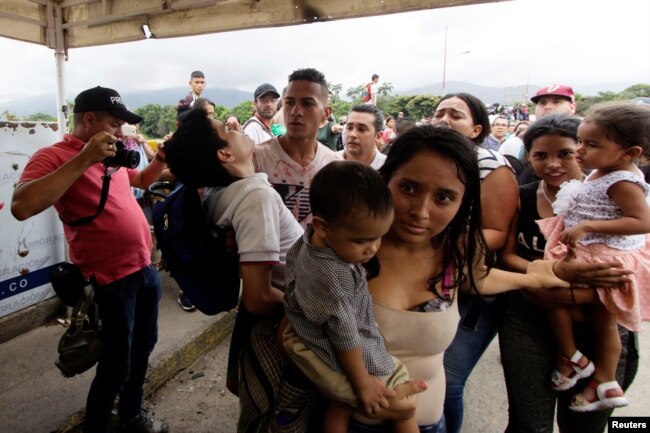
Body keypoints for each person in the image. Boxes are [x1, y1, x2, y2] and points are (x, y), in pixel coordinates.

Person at [348, 125, 577, 432]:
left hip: (431, 424)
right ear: (385, 179)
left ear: (462, 203)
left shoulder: (457, 249)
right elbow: (295, 339)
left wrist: (543, 276)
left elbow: (477, 279)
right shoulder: (344, 250)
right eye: (409, 188)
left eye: (443, 197)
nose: (421, 212)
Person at [11, 86, 169, 433]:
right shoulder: (54, 155)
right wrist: (83, 158)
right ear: (90, 120)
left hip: (144, 270)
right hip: (111, 281)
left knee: (142, 350)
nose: (119, 134)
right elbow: (21, 205)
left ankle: (130, 416)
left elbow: (141, 180)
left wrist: (159, 159)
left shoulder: (111, 158)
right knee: (117, 364)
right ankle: (96, 425)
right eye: (114, 125)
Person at [498, 113, 639, 432]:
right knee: (529, 424)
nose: (552, 164)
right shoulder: (520, 196)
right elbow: (506, 257)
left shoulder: (615, 196)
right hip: (528, 318)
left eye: (564, 153)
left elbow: (633, 266)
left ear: (583, 149)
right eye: (540, 155)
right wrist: (549, 273)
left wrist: (574, 290)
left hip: (598, 324)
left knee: (585, 425)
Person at [283, 161, 417, 433]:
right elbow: (345, 336)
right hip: (330, 348)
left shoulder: (308, 240)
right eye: (361, 241)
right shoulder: (333, 276)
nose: (373, 249)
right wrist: (364, 383)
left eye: (379, 238)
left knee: (338, 405)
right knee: (398, 391)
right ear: (322, 226)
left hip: (307, 333)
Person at [537, 103, 650, 412]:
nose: (580, 150)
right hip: (596, 249)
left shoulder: (622, 181)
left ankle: (573, 358)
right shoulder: (606, 171)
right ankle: (604, 381)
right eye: (581, 141)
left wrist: (589, 226)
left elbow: (644, 221)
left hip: (602, 255)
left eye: (592, 144)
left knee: (554, 293)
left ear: (629, 152)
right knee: (603, 322)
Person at [431, 92, 518, 433]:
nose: (444, 119)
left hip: (471, 290)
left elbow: (496, 231)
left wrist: (441, 240)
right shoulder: (426, 160)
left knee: (449, 380)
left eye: (455, 114)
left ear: (476, 128)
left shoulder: (492, 166)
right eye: (439, 113)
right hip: (426, 283)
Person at [253, 68, 340, 228]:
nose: (295, 111)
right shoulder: (256, 158)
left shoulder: (333, 166)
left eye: (307, 103)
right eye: (290, 102)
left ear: (326, 113)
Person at [337, 104, 387, 169]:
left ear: (378, 136)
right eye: (349, 128)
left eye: (361, 129)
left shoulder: (388, 168)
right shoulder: (328, 162)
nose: (352, 134)